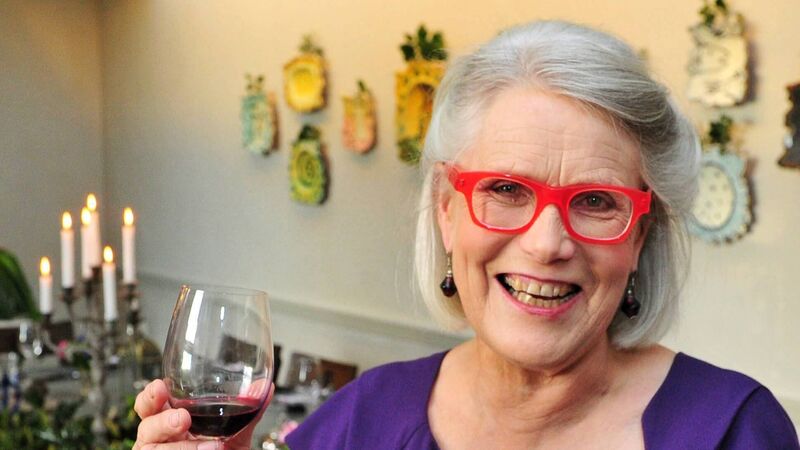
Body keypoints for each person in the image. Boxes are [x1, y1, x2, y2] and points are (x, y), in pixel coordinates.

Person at [133, 21, 799, 449]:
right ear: (446, 210)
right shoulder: (361, 422)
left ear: (640, 237)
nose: (547, 243)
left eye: (596, 201)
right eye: (505, 190)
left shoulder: (734, 431)